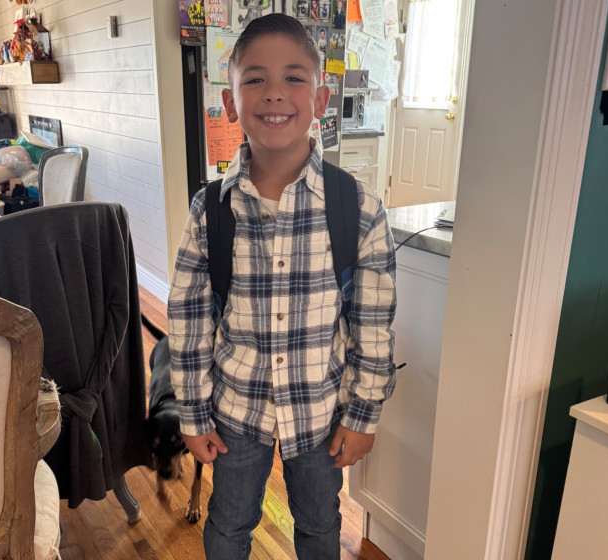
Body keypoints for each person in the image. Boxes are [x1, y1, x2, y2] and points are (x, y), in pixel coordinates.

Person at [168, 13, 396, 560]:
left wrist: (363, 415)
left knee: (319, 524)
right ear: (230, 102)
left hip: (321, 410)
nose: (274, 93)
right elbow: (189, 321)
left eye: (294, 77)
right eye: (255, 79)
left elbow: (372, 325)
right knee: (229, 524)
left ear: (320, 100)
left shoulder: (358, 207)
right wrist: (193, 414)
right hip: (235, 410)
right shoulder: (210, 210)